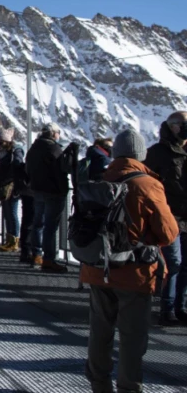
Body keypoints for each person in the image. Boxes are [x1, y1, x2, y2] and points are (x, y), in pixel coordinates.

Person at [82, 129, 179, 393]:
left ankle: (99, 386)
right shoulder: (147, 185)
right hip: (134, 274)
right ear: (141, 154)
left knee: (100, 332)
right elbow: (168, 233)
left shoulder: (99, 179)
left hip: (97, 269)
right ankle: (129, 388)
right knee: (132, 338)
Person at [144, 111, 187, 326]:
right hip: (169, 216)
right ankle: (167, 309)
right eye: (182, 124)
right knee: (174, 263)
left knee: (184, 265)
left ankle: (181, 307)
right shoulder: (158, 153)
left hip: (185, 215)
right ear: (172, 127)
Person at [25, 122, 70, 272]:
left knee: (38, 223)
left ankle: (36, 254)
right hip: (53, 192)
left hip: (37, 190)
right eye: (58, 132)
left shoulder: (33, 148)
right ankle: (49, 259)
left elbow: (28, 169)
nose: (59, 135)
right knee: (51, 226)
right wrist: (62, 189)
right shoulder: (54, 148)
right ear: (53, 134)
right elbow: (61, 170)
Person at [0, 129, 26, 253]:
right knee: (8, 213)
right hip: (5, 185)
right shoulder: (4, 151)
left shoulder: (15, 150)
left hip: (12, 186)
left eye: (1, 141)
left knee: (12, 212)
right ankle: (10, 240)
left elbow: (17, 167)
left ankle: (14, 241)